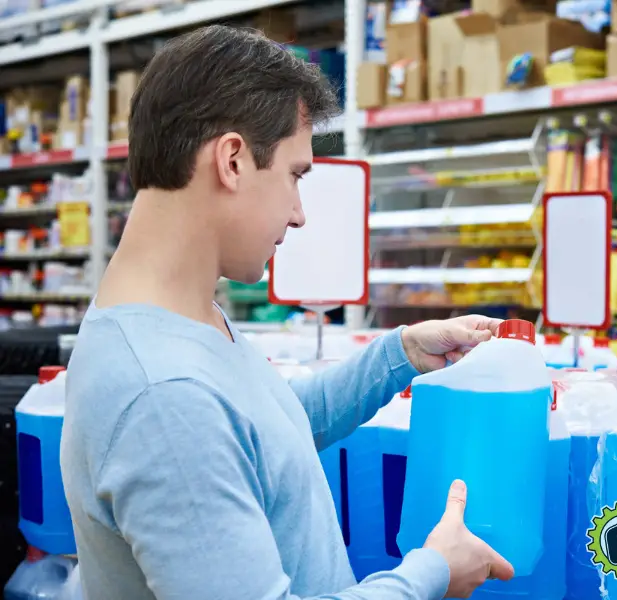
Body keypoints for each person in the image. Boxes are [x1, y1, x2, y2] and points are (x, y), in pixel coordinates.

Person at [60, 25, 514, 600]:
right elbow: (200, 428)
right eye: (295, 176)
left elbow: (263, 435)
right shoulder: (163, 395)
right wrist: (430, 573)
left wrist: (399, 355)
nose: (299, 214)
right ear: (232, 160)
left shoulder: (173, 320)